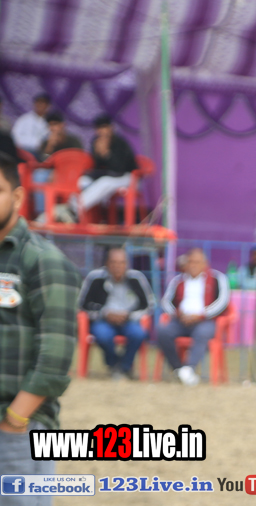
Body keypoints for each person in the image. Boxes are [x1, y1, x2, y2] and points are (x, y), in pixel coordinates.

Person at [0, 153, 82, 506]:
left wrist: (14, 420)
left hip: (20, 432)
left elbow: (55, 359)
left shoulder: (42, 260)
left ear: (17, 195)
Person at [156, 247, 230, 387]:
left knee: (202, 333)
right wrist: (177, 314)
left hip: (205, 320)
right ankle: (179, 369)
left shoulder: (217, 278)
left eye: (197, 262)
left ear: (205, 263)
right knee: (162, 331)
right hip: (181, 320)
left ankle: (189, 368)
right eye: (190, 262)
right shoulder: (178, 280)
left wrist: (201, 315)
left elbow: (223, 301)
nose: (193, 265)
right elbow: (165, 302)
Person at [77, 246, 153, 379]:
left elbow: (149, 304)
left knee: (139, 334)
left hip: (129, 320)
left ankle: (124, 367)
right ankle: (115, 364)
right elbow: (82, 304)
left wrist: (129, 315)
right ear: (107, 263)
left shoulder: (136, 278)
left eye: (122, 263)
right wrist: (104, 313)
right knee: (103, 335)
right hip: (102, 320)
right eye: (114, 262)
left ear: (127, 264)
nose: (118, 267)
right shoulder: (95, 278)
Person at [77, 114, 138, 216]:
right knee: (83, 181)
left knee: (105, 182)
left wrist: (106, 154)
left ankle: (74, 209)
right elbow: (97, 168)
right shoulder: (96, 142)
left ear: (111, 128)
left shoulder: (120, 143)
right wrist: (98, 154)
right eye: (99, 128)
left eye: (104, 127)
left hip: (128, 177)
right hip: (107, 175)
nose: (102, 131)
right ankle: (80, 212)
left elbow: (119, 169)